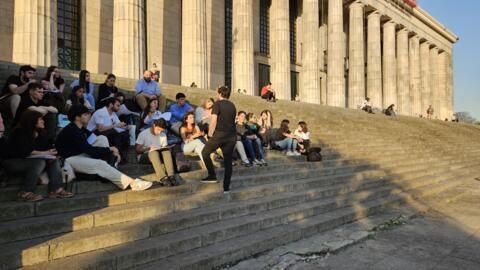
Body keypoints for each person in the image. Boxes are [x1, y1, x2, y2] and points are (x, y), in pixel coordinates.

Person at [56, 105, 152, 191]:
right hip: (69, 160)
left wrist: (112, 152)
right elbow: (90, 150)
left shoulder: (81, 128)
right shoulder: (72, 130)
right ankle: (132, 183)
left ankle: (110, 165)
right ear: (77, 117)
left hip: (80, 155)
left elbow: (94, 141)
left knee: (101, 138)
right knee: (100, 164)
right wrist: (110, 150)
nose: (89, 116)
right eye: (85, 114)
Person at [2, 111, 73, 202]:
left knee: (53, 160)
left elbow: (47, 147)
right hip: (13, 161)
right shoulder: (19, 132)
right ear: (32, 121)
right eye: (40, 119)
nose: (43, 121)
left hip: (31, 160)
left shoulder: (41, 133)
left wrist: (52, 152)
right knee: (39, 162)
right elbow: (24, 152)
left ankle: (56, 189)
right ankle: (25, 192)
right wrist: (45, 153)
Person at [201, 86, 237, 193]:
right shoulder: (232, 105)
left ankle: (212, 176)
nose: (216, 94)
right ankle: (226, 188)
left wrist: (209, 135)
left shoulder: (217, 104)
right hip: (231, 136)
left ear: (220, 93)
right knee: (228, 161)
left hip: (220, 134)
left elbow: (213, 121)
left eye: (217, 93)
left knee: (205, 152)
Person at [87, 98, 132, 162]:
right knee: (114, 133)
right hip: (94, 133)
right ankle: (116, 155)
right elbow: (100, 129)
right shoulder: (100, 112)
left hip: (108, 132)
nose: (119, 108)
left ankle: (118, 155)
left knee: (125, 135)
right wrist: (115, 125)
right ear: (111, 105)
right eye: (118, 105)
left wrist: (126, 127)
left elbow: (119, 125)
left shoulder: (113, 114)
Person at [135, 119, 176, 186]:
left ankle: (171, 176)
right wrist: (149, 148)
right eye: (158, 129)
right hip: (145, 155)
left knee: (166, 151)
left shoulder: (163, 135)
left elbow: (164, 148)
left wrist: (168, 149)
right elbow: (138, 150)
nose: (159, 132)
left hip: (158, 155)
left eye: (161, 130)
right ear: (154, 126)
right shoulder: (143, 134)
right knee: (153, 153)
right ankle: (163, 177)